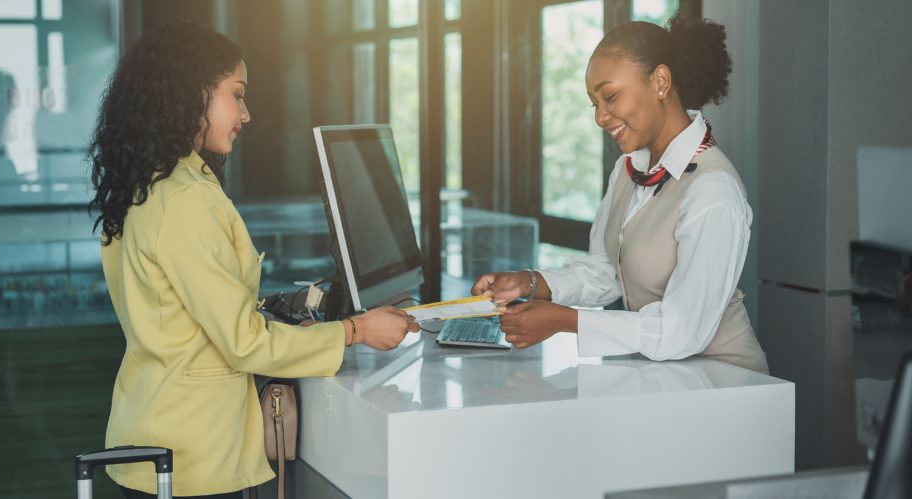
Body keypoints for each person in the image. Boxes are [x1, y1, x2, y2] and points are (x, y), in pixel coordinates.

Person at [88, 20, 420, 498]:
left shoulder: (153, 185)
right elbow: (242, 343)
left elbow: (187, 316)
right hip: (193, 460)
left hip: (160, 435)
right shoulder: (185, 200)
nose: (246, 113)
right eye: (236, 94)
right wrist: (357, 331)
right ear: (188, 94)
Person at [472, 15, 769, 374]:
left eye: (610, 96)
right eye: (593, 103)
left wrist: (565, 320)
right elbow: (608, 271)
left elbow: (681, 331)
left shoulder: (714, 189)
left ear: (660, 81)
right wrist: (531, 283)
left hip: (728, 385)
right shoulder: (629, 170)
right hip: (667, 379)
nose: (600, 117)